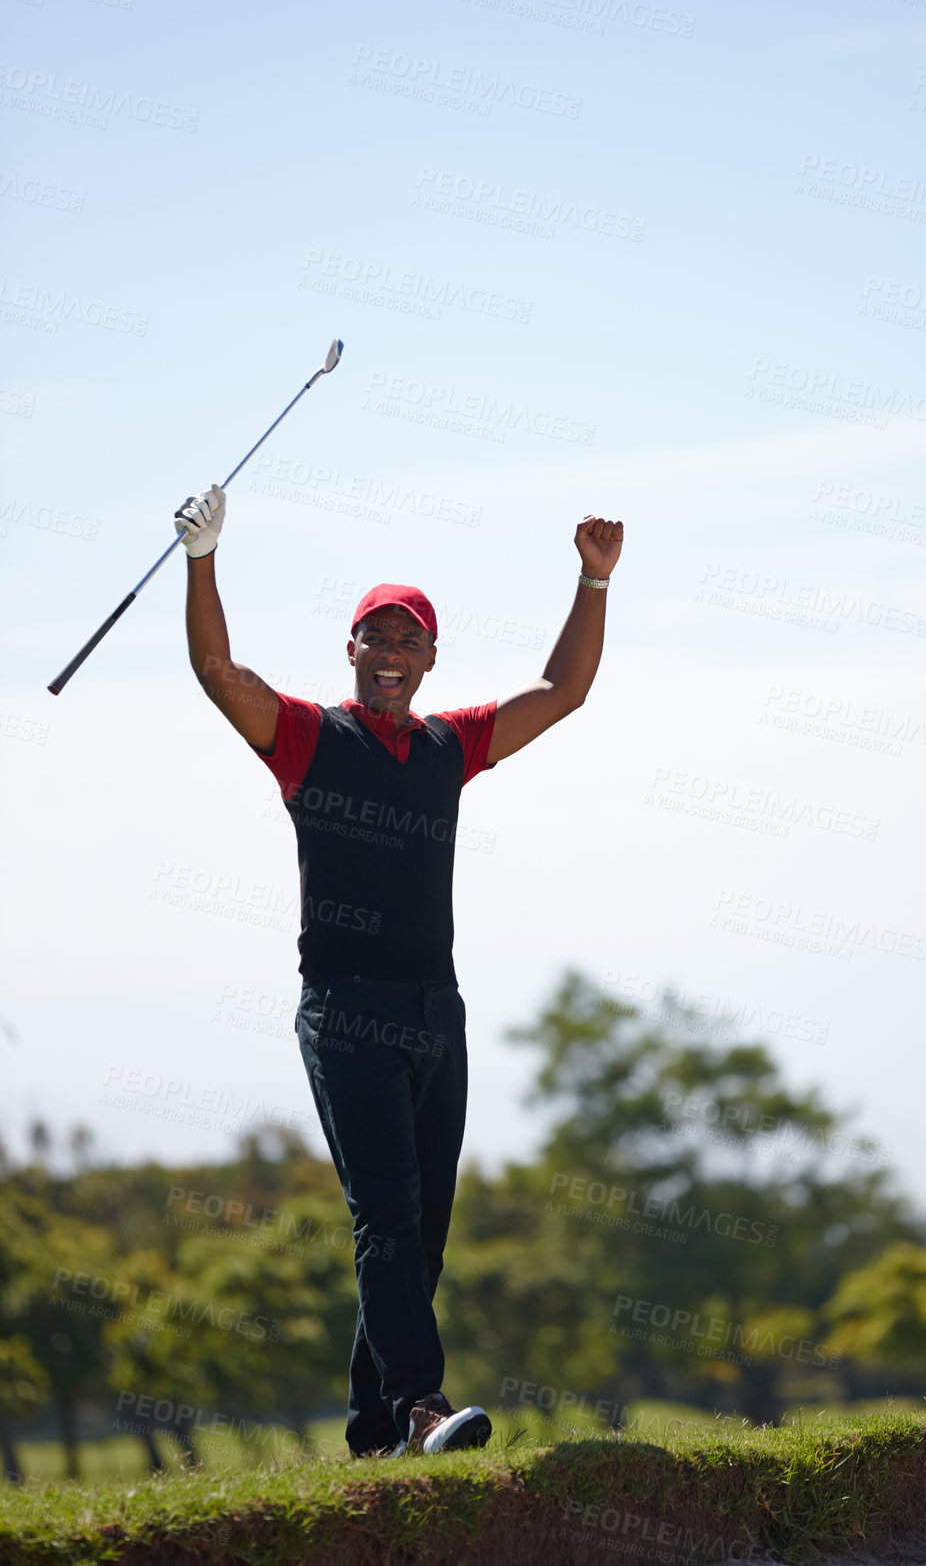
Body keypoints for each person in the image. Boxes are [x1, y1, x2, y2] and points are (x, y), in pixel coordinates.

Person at [174, 482, 624, 1458]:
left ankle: (373, 1435)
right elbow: (219, 673)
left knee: (418, 1233)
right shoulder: (308, 737)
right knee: (384, 1214)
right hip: (343, 1010)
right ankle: (421, 1405)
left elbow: (561, 694)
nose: (388, 653)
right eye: (372, 638)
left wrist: (591, 581)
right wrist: (202, 559)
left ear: (427, 658)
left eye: (405, 640)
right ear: (351, 651)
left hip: (436, 1011)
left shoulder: (444, 745)